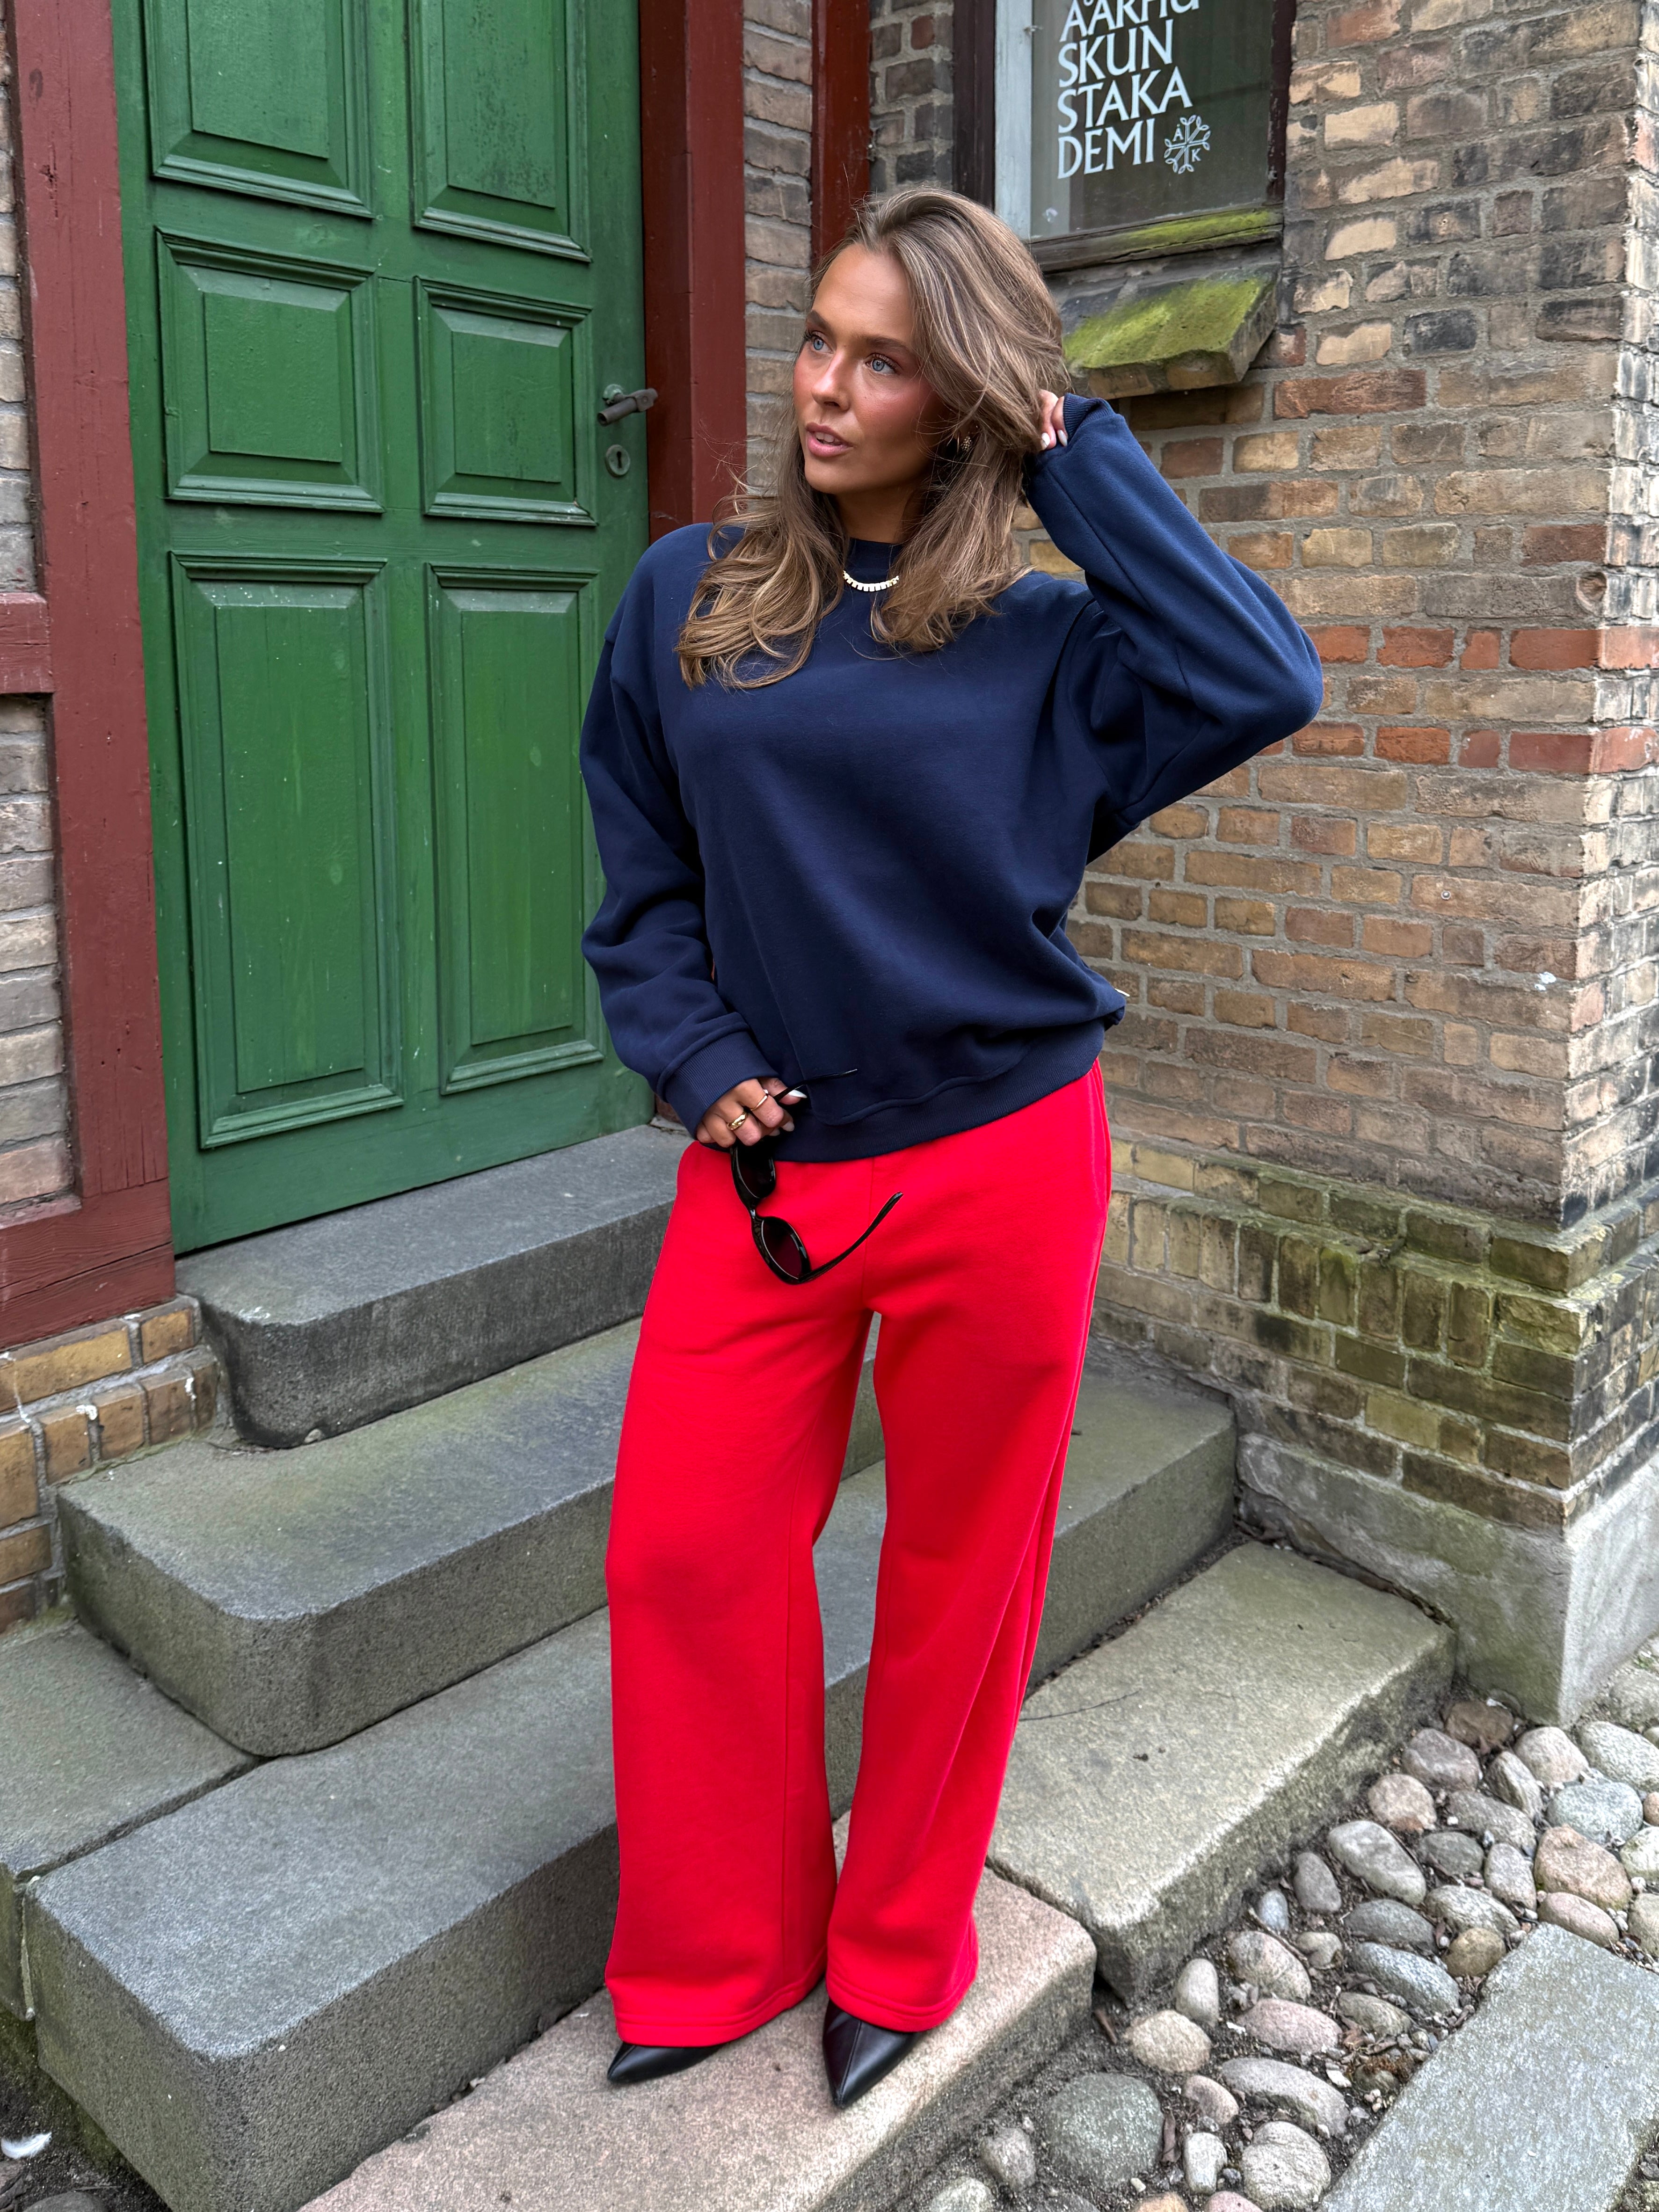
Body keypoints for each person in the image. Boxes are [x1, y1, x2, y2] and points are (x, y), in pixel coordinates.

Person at [578, 186, 1322, 2109]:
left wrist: (1072, 454)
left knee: (957, 1577)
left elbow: (1263, 675)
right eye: (817, 341)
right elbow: (641, 871)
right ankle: (718, 1949)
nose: (823, 388)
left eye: (886, 361)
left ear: (967, 397)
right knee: (683, 1555)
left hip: (1001, 1160)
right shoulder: (685, 596)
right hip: (768, 1180)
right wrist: (687, 1046)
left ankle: (898, 1949)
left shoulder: (1053, 645)